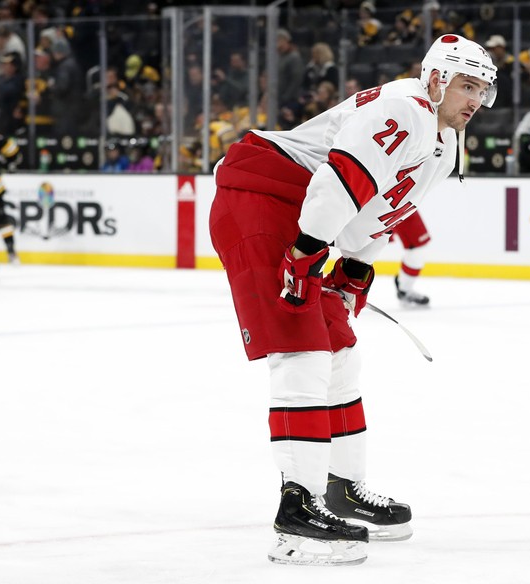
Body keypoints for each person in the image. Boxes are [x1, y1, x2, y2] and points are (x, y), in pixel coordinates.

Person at [208, 34, 497, 566]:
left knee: (341, 353)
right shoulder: (403, 110)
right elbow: (338, 184)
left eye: (483, 89)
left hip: (304, 217)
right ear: (435, 79)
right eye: (466, 85)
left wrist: (356, 266)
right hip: (262, 200)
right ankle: (296, 512)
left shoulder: (444, 137)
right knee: (303, 352)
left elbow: (386, 209)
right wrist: (305, 254)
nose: (475, 99)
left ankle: (343, 488)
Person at [0, 133, 21, 274]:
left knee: (2, 222)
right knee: (2, 221)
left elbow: (11, 149)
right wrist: (8, 162)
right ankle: (11, 251)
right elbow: (12, 150)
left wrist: (6, 162)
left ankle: (11, 250)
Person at [392, 211, 432, 306]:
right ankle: (405, 289)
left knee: (418, 249)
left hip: (402, 203)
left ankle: (405, 289)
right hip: (396, 202)